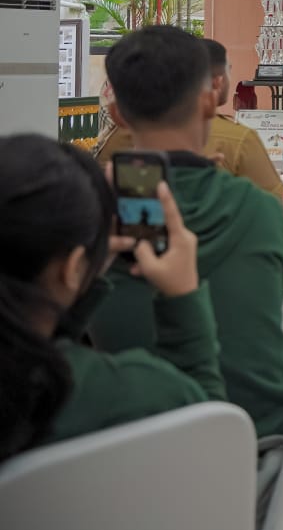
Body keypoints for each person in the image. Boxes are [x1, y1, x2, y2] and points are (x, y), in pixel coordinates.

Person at [88, 26, 283, 439]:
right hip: (261, 441)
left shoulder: (94, 218)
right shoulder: (260, 210)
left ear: (118, 114)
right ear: (209, 100)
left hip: (128, 446)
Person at [99, 39, 283, 333]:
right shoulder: (252, 202)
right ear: (209, 100)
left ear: (117, 113)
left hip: (145, 340)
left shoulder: (114, 206)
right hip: (242, 341)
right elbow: (278, 225)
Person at [0, 136, 223, 460]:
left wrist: (82, 279)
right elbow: (214, 441)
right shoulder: (125, 391)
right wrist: (183, 296)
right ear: (72, 267)